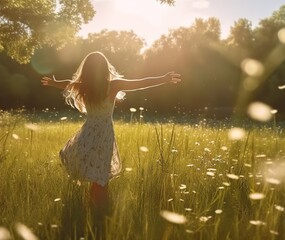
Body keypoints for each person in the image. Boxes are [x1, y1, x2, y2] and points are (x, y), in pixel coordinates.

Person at [41, 51, 181, 231]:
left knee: (96, 175)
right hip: (104, 135)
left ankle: (94, 210)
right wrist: (164, 78)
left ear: (87, 70)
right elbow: (140, 84)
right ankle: (99, 215)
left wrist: (52, 83)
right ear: (105, 68)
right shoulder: (113, 85)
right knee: (100, 177)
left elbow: (66, 85)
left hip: (88, 134)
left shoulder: (83, 86)